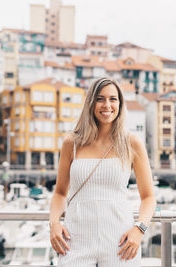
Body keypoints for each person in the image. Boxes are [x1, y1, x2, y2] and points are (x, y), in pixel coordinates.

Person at [49, 77, 156, 266]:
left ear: (120, 104)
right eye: (100, 99)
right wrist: (54, 224)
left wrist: (139, 230)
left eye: (113, 99)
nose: (107, 105)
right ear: (91, 103)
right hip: (76, 239)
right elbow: (59, 193)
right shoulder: (71, 143)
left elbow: (148, 196)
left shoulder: (132, 142)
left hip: (120, 242)